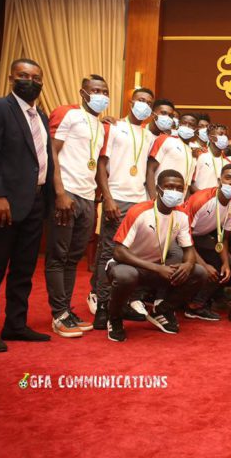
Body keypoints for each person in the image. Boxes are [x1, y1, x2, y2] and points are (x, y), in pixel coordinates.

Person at [0, 58, 54, 351]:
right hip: (2, 204)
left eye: (35, 77)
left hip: (33, 202)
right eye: (23, 75)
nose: (30, 81)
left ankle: (15, 324)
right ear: (11, 78)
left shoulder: (40, 116)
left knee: (23, 269)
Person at [106, 170, 206, 341]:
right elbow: (119, 252)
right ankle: (114, 319)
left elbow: (189, 250)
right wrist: (158, 268)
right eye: (169, 187)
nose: (174, 192)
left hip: (156, 268)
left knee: (198, 273)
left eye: (179, 188)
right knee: (126, 276)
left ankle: (163, 310)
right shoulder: (139, 211)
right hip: (127, 266)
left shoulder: (181, 215)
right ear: (159, 188)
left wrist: (188, 265)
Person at [45, 74, 109, 338]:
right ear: (83, 93)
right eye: (95, 90)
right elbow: (54, 152)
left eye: (104, 91)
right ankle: (58, 315)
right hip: (67, 193)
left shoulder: (100, 124)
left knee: (73, 258)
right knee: (58, 256)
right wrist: (59, 192)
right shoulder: (70, 115)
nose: (100, 95)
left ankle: (66, 310)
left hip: (87, 196)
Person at [90, 87, 156, 329]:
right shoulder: (114, 127)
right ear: (131, 102)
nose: (144, 105)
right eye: (141, 100)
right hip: (116, 198)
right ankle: (102, 306)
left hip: (140, 203)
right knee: (108, 253)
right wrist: (107, 198)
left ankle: (125, 302)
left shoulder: (149, 136)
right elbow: (101, 163)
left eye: (149, 102)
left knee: (135, 255)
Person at [186, 164, 231, 323]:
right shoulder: (201, 199)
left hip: (203, 238)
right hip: (181, 238)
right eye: (228, 178)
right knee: (203, 268)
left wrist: (226, 263)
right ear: (220, 180)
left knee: (227, 265)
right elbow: (184, 236)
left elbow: (224, 238)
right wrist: (204, 265)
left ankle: (198, 305)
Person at [146, 113, 198, 199]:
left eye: (191, 125)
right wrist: (153, 198)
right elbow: (150, 169)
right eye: (184, 123)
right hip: (158, 198)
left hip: (178, 202)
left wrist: (185, 205)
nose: (187, 126)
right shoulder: (165, 139)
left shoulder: (193, 152)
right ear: (179, 124)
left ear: (195, 129)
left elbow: (187, 184)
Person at [192, 123, 231, 191]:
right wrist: (204, 197)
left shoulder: (228, 163)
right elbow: (190, 183)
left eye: (225, 135)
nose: (224, 137)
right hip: (199, 199)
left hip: (217, 200)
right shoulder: (198, 155)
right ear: (211, 137)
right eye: (221, 134)